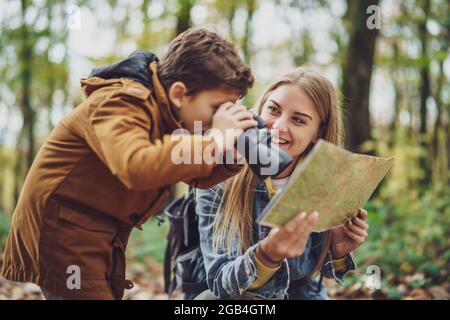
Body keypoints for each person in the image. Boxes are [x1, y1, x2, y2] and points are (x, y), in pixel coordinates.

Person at [1, 28, 257, 300]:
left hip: (95, 231)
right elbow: (136, 166)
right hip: (62, 230)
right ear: (180, 94)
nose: (220, 119)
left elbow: (192, 171)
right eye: (217, 109)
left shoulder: (169, 115)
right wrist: (216, 138)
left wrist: (232, 150)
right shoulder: (121, 102)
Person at [193, 67, 369, 300]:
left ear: (318, 131)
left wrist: (336, 251)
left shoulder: (324, 180)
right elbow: (220, 284)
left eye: (298, 120)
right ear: (259, 110)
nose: (278, 126)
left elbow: (309, 278)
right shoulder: (220, 178)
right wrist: (267, 256)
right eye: (274, 110)